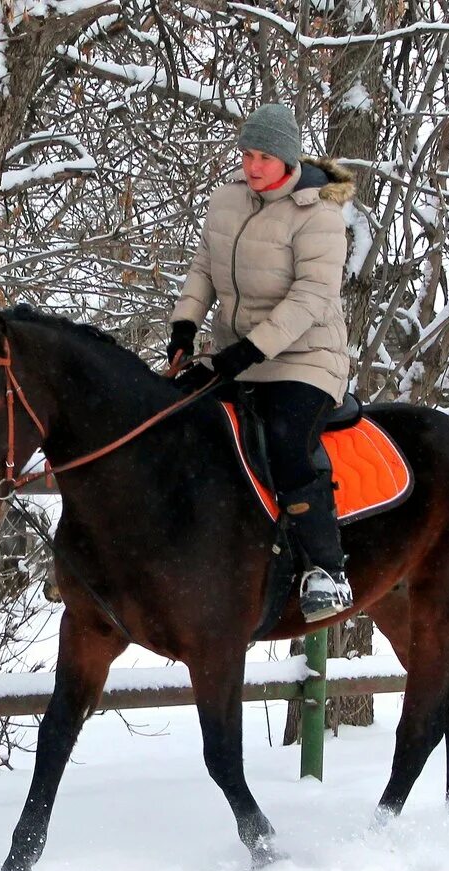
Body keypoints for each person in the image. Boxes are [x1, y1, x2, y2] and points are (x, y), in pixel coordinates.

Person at [168, 102, 356, 623]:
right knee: (170, 418)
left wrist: (252, 349)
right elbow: (204, 265)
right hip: (234, 355)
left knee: (284, 440)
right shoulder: (227, 201)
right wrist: (186, 323)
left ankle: (326, 570)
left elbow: (312, 297)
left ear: (289, 160)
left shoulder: (318, 215)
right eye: (247, 154)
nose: (251, 166)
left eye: (264, 157)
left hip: (305, 358)